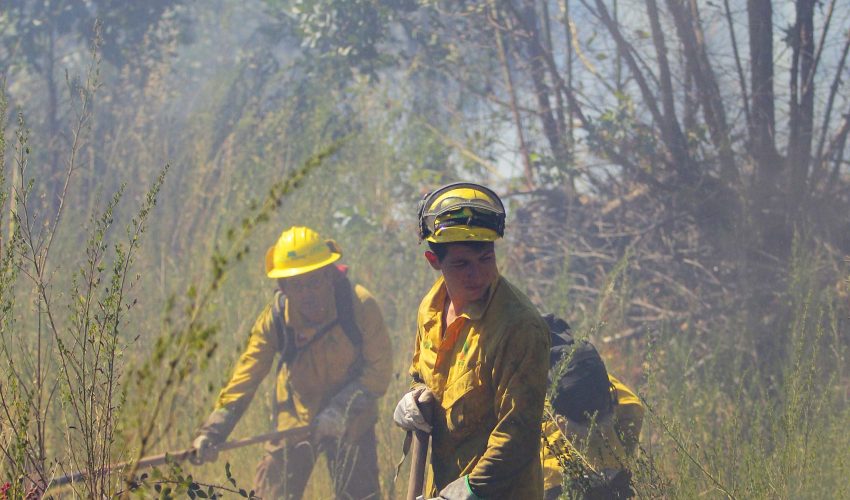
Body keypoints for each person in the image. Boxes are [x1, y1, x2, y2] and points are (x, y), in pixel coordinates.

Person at [192, 226, 392, 500]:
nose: (308, 294)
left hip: (353, 418)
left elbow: (379, 373)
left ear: (330, 275)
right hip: (296, 417)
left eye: (315, 281)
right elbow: (245, 378)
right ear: (283, 288)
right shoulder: (274, 319)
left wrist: (339, 411)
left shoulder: (359, 305)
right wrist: (213, 432)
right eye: (297, 285)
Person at [393, 182, 551, 499]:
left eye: (485, 258)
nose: (477, 275)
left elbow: (518, 432)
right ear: (433, 260)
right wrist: (415, 397)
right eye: (462, 264)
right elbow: (422, 375)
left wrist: (471, 488)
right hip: (440, 486)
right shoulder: (431, 309)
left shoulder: (519, 327)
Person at [541, 315, 644, 499]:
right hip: (611, 472)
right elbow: (633, 406)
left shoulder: (522, 381)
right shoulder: (588, 369)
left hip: (557, 479)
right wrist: (622, 452)